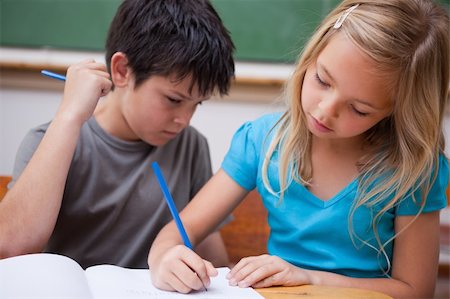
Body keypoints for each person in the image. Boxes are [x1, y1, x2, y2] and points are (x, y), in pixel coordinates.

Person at [148, 0, 449, 297]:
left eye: (358, 109)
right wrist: (164, 257)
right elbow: (174, 235)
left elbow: (415, 290)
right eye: (322, 79)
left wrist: (309, 278)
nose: (325, 111)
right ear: (310, 56)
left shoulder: (413, 170)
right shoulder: (263, 141)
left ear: (396, 110)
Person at [0, 0, 235, 269]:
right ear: (122, 71)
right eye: (173, 99)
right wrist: (69, 116)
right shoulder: (49, 140)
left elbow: (213, 258)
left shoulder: (191, 146)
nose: (184, 120)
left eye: (198, 104)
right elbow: (11, 247)